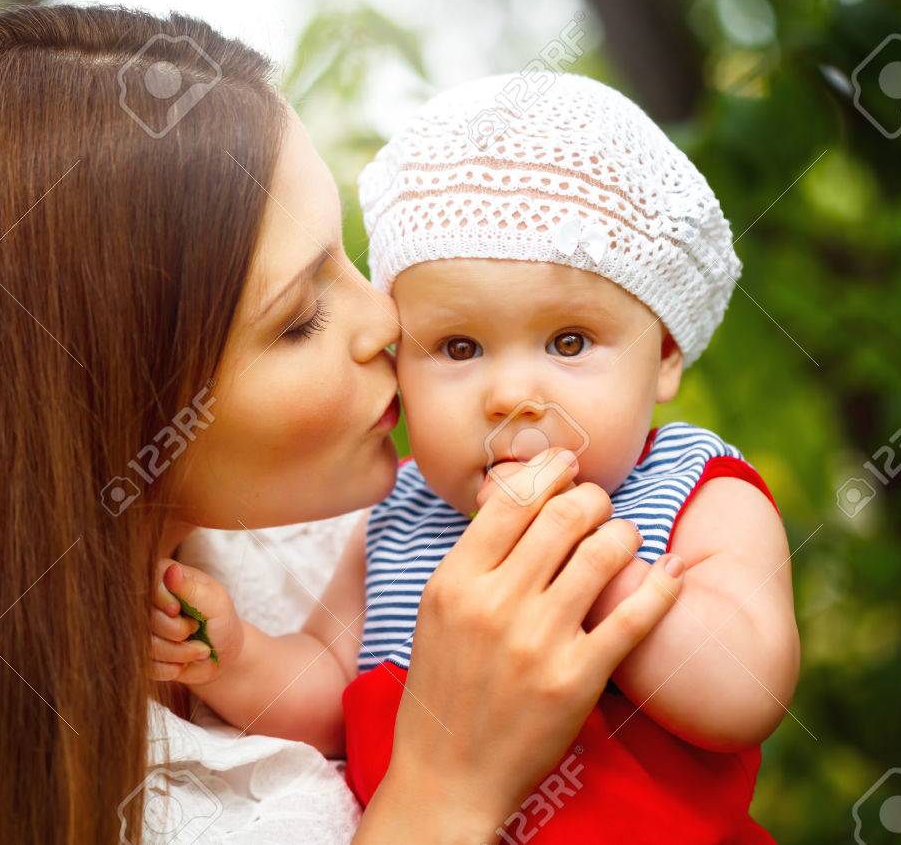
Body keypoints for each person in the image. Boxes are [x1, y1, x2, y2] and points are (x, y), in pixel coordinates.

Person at [0, 6, 684, 845]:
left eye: (349, 258)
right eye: (299, 319)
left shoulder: (336, 544)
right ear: (102, 407)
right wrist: (446, 791)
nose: (389, 322)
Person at [149, 75, 799, 842]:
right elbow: (329, 698)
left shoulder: (694, 492)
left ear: (662, 357)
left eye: (568, 342)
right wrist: (237, 659)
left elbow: (745, 697)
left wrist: (588, 570)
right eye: (460, 348)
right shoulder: (399, 518)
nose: (511, 395)